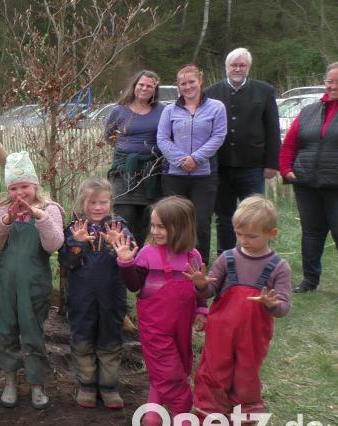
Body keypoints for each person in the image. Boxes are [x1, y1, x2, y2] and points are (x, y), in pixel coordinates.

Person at [187, 196, 291, 426]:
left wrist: (270, 304)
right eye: (239, 234)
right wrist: (201, 285)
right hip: (220, 333)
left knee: (247, 379)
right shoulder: (227, 259)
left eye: (251, 236)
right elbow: (209, 291)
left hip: (253, 337)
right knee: (214, 376)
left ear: (272, 234)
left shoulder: (278, 267)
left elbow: (284, 307)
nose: (243, 240)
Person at [114, 196, 207, 426]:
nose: (154, 231)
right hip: (154, 325)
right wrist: (125, 262)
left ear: (182, 228)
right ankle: (182, 414)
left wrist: (202, 309)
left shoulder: (193, 257)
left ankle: (154, 406)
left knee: (181, 361)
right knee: (169, 367)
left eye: (161, 227)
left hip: (182, 324)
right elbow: (134, 285)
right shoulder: (147, 254)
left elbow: (199, 289)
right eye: (153, 226)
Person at [0, 152, 65, 410]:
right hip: (5, 283)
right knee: (6, 329)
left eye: (25, 187)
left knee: (32, 332)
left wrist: (39, 216)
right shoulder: (3, 210)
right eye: (14, 188)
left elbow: (54, 244)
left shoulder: (50, 209)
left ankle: (36, 382)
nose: (20, 193)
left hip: (34, 285)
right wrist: (6, 221)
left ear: (35, 185)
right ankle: (10, 379)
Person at [58, 177, 130, 409]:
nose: (98, 207)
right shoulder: (75, 228)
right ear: (83, 202)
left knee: (110, 338)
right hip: (81, 296)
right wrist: (77, 245)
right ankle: (87, 385)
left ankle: (108, 387)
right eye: (92, 202)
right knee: (82, 338)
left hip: (112, 296)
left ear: (110, 202)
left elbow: (130, 260)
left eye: (103, 202)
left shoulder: (119, 227)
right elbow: (66, 262)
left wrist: (115, 246)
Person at [204, 48, 281, 256]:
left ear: (248, 67)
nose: (238, 69)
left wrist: (272, 163)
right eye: (234, 65)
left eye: (242, 65)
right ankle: (225, 257)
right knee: (224, 216)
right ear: (226, 67)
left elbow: (273, 129)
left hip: (253, 166)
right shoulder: (210, 93)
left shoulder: (264, 91)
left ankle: (257, 256)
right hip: (221, 166)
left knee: (256, 215)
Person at [158, 64, 227, 265]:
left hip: (204, 175)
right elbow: (162, 138)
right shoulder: (169, 110)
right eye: (183, 83)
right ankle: (172, 261)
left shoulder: (216, 107)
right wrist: (181, 159)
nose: (188, 87)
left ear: (200, 81)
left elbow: (219, 135)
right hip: (174, 175)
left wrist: (196, 158)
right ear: (178, 86)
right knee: (173, 220)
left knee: (201, 223)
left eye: (191, 82)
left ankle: (199, 264)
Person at [279, 62, 338, 293]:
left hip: (335, 185)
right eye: (329, 81)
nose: (332, 86)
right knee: (311, 234)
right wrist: (286, 170)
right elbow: (290, 143)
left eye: (336, 82)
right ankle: (310, 280)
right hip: (306, 184)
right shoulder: (308, 111)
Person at [106, 70, 166, 245]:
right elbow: (109, 136)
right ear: (134, 86)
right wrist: (127, 151)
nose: (144, 88)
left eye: (149, 86)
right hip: (124, 171)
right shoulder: (118, 110)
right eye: (141, 84)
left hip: (152, 171)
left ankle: (145, 260)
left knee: (148, 217)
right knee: (125, 215)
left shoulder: (162, 110)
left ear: (155, 89)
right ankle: (124, 257)